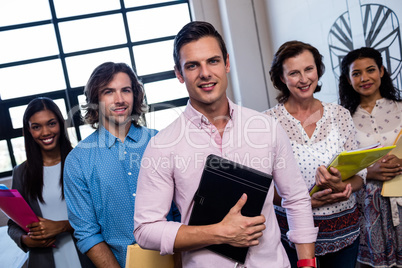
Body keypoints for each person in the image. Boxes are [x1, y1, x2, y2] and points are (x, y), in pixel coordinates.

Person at [134, 21, 318, 268]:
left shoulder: (266, 128)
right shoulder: (162, 146)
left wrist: (307, 264)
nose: (205, 73)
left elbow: (295, 199)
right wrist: (219, 233)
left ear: (227, 63)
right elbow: (145, 230)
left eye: (213, 61)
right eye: (192, 66)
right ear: (179, 74)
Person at [63, 62, 180, 268]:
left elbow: (182, 210)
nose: (119, 100)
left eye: (125, 90)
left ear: (135, 95)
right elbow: (87, 232)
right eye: (109, 92)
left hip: (174, 259)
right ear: (95, 100)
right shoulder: (78, 160)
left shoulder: (161, 143)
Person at [264, 41, 366, 268]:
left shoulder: (340, 114)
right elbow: (263, 187)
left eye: (309, 69)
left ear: (318, 70)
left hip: (344, 231)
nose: (304, 79)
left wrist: (343, 186)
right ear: (282, 78)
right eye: (294, 73)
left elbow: (361, 176)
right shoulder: (266, 123)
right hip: (291, 235)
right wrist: (303, 202)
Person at [7, 97, 94, 268]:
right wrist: (25, 240)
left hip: (87, 256)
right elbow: (13, 224)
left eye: (51, 123)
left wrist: (63, 226)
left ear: (61, 125)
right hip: (44, 260)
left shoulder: (82, 161)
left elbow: (101, 214)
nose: (45, 132)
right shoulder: (21, 173)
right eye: (36, 127)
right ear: (29, 131)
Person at [339, 47, 402, 268]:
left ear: (382, 71)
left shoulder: (400, 108)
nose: (364, 78)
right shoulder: (342, 119)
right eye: (356, 73)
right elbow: (340, 167)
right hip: (368, 210)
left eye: (371, 70)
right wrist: (369, 172)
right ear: (348, 79)